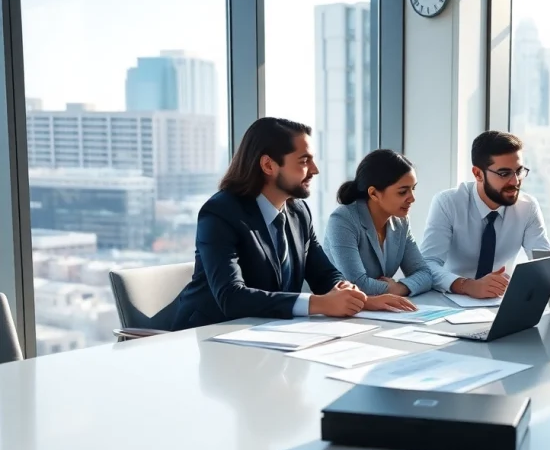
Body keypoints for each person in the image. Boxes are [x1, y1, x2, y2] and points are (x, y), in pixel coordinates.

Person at [171, 118, 406, 331]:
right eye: (304, 161)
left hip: (271, 335)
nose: (314, 170)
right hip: (210, 336)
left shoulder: (298, 211)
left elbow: (323, 273)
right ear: (269, 166)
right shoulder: (221, 213)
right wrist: (319, 303)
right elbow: (231, 297)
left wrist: (355, 297)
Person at [420, 131, 550, 298]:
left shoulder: (528, 206)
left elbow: (545, 264)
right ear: (478, 174)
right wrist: (467, 285)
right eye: (504, 174)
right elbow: (427, 264)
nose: (515, 181)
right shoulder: (448, 203)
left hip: (498, 302)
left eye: (519, 171)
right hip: (450, 299)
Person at [324, 149, 433, 300]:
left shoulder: (401, 222)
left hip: (378, 312)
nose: (412, 198)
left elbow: (425, 274)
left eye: (412, 189)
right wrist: (392, 288)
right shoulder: (342, 220)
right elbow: (357, 285)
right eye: (403, 192)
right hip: (339, 315)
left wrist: (401, 287)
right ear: (374, 193)